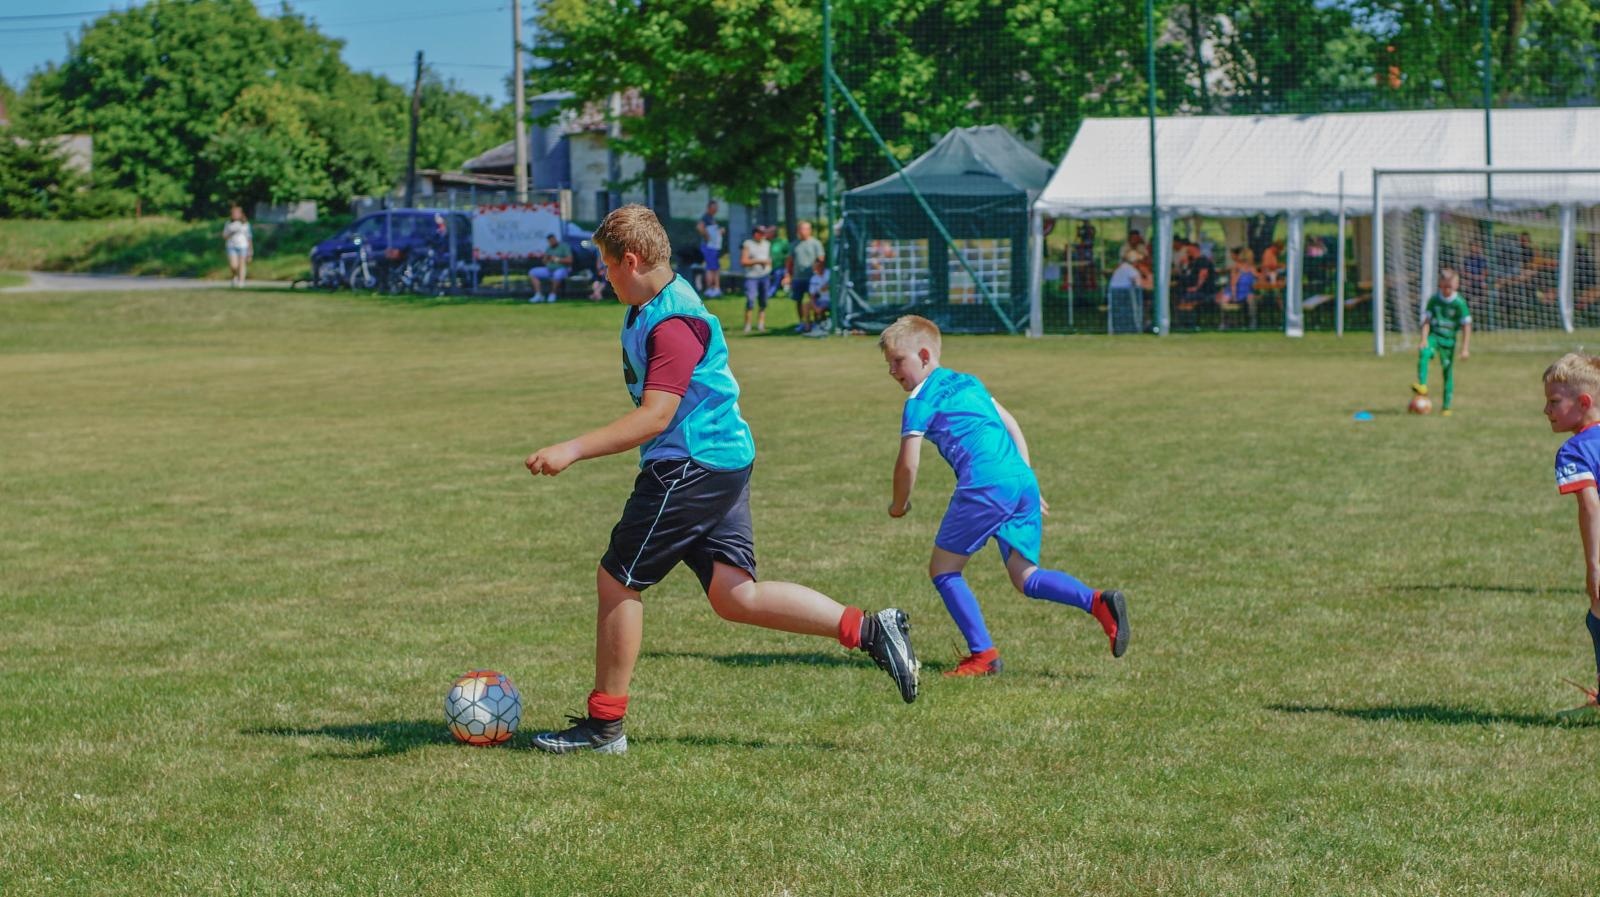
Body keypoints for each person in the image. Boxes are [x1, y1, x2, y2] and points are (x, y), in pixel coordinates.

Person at [522, 205, 919, 754]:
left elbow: (656, 416)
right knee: (736, 596)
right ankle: (873, 630)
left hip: (690, 464)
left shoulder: (674, 324)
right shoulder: (654, 302)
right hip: (719, 459)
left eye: (607, 266)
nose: (603, 276)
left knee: (619, 580)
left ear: (632, 261)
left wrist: (572, 448)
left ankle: (604, 726)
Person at [879, 315, 1128, 677]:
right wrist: (1027, 476)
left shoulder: (919, 401)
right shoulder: (969, 381)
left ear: (924, 355)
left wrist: (898, 504)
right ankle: (1098, 602)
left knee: (944, 570)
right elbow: (1010, 423)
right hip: (1019, 479)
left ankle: (984, 656)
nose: (892, 371)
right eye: (888, 364)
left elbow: (908, 464)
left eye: (897, 361)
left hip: (983, 485)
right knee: (1026, 577)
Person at [1542, 353, 1600, 721]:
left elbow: (1590, 506)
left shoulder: (1575, 450)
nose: (1545, 410)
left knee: (1598, 611)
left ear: (1583, 403)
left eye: (1553, 402)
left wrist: (1594, 564)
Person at [1412, 268, 1472, 416]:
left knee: (1447, 372)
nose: (1445, 290)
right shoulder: (1434, 300)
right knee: (1424, 352)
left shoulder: (1459, 303)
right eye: (1443, 286)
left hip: (1449, 342)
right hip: (1434, 337)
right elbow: (1426, 321)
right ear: (1439, 284)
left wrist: (1464, 348)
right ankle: (1422, 385)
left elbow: (1466, 326)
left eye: (1449, 287)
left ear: (1456, 286)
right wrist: (1424, 339)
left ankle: (1446, 406)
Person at [787, 220, 824, 329]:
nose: (804, 231)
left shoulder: (815, 243)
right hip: (798, 277)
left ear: (810, 230)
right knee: (798, 300)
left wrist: (818, 272)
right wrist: (788, 275)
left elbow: (821, 259)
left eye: (806, 229)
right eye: (802, 229)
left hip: (812, 278)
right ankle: (802, 322)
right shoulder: (794, 244)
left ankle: (817, 322)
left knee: (815, 300)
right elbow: (789, 261)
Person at [738, 225, 773, 333]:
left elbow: (768, 258)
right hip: (751, 277)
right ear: (755, 234)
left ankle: (761, 325)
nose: (763, 235)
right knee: (750, 300)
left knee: (763, 301)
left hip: (764, 275)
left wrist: (767, 263)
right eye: (761, 233)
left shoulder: (767, 244)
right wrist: (759, 261)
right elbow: (743, 261)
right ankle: (747, 325)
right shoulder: (748, 244)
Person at [529, 233, 573, 303]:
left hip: (562, 269)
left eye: (552, 240)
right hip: (549, 270)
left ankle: (552, 294)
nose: (551, 242)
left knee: (557, 274)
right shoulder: (549, 248)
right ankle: (538, 295)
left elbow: (570, 260)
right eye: (550, 241)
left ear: (555, 239)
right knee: (532, 272)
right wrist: (546, 259)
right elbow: (544, 262)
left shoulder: (564, 246)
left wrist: (556, 259)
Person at [697, 200, 723, 297]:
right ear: (709, 208)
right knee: (711, 268)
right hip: (709, 247)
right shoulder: (706, 217)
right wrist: (706, 236)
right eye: (714, 208)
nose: (716, 210)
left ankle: (715, 288)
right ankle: (710, 289)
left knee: (715, 268)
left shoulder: (712, 218)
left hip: (714, 246)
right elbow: (700, 227)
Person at [222, 205, 252, 288]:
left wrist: (250, 250)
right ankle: (234, 276)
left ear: (241, 214)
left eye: (236, 213)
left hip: (243, 246)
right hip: (231, 246)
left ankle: (241, 282)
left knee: (242, 264)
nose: (235, 215)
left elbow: (249, 238)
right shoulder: (228, 224)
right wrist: (232, 232)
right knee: (234, 265)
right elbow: (224, 236)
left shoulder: (245, 224)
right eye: (233, 213)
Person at [801, 255, 830, 334]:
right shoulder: (814, 278)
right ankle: (808, 327)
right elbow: (812, 295)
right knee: (806, 305)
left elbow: (831, 285)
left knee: (822, 307)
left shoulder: (830, 274)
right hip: (820, 300)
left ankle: (823, 324)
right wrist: (815, 307)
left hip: (831, 300)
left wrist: (828, 286)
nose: (815, 268)